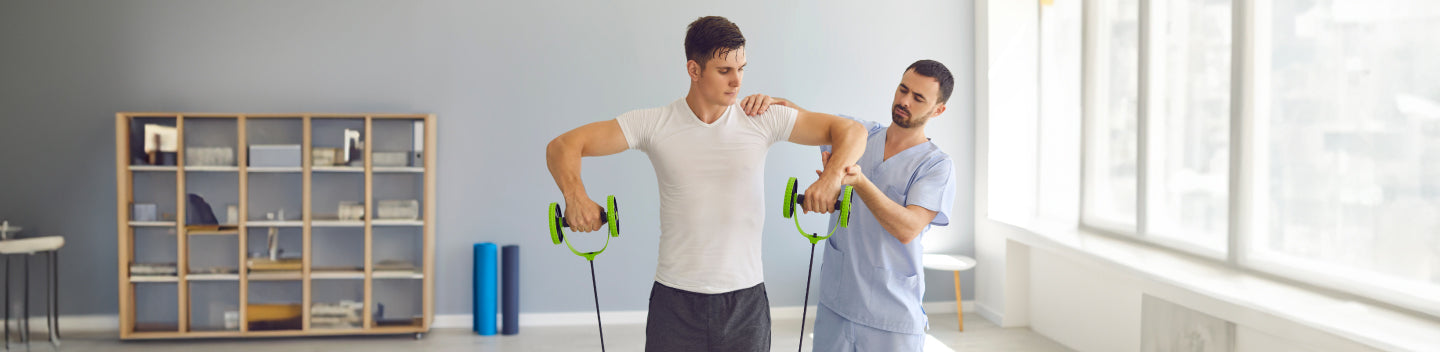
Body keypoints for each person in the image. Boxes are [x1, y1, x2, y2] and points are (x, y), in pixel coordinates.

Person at [544, 16, 867, 351]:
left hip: (746, 302)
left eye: (741, 69)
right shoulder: (654, 123)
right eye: (724, 70)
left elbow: (852, 132)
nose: (737, 81)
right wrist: (575, 196)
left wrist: (831, 179)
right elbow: (562, 146)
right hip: (674, 302)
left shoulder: (762, 118)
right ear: (694, 70)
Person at [740, 59, 958, 351]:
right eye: (903, 89)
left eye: (918, 98)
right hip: (837, 306)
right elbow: (803, 118)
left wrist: (859, 182)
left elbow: (908, 228)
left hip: (891, 318)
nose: (904, 101)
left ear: (938, 110)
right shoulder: (860, 134)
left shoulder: (936, 165)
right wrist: (771, 104)